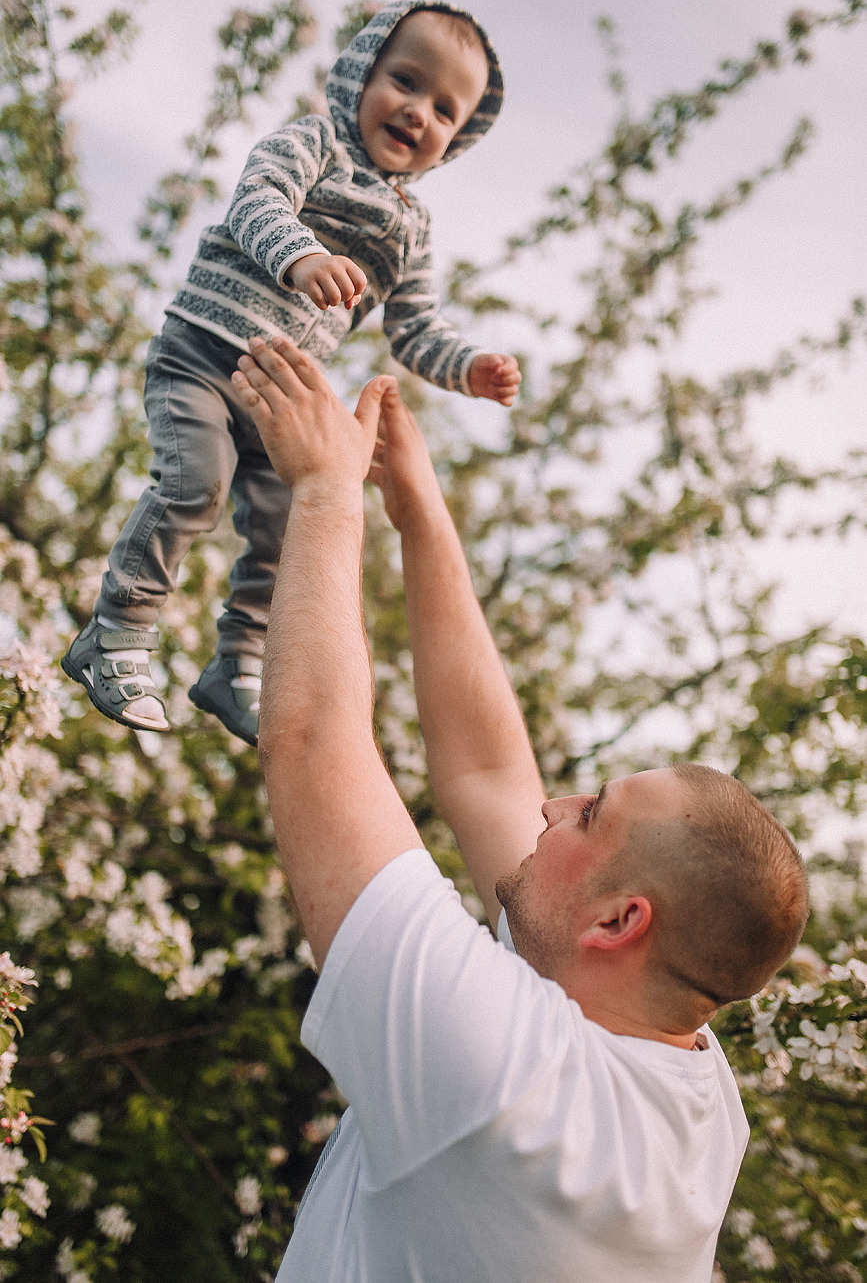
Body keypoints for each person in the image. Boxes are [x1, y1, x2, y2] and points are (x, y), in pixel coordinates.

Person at [228, 335, 809, 1283]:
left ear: (619, 921)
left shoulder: (501, 1080)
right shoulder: (689, 1085)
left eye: (592, 813)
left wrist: (325, 488)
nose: (554, 804)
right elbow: (488, 773)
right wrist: (419, 516)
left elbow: (311, 743)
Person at [62, 0, 519, 745]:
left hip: (277, 397)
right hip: (203, 354)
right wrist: (301, 256)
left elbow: (414, 326)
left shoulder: (412, 228)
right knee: (194, 485)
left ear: (457, 139)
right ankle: (115, 631)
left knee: (289, 526)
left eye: (445, 110)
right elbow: (257, 201)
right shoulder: (315, 143)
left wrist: (467, 368)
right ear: (360, 73)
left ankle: (236, 664)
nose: (418, 112)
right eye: (405, 82)